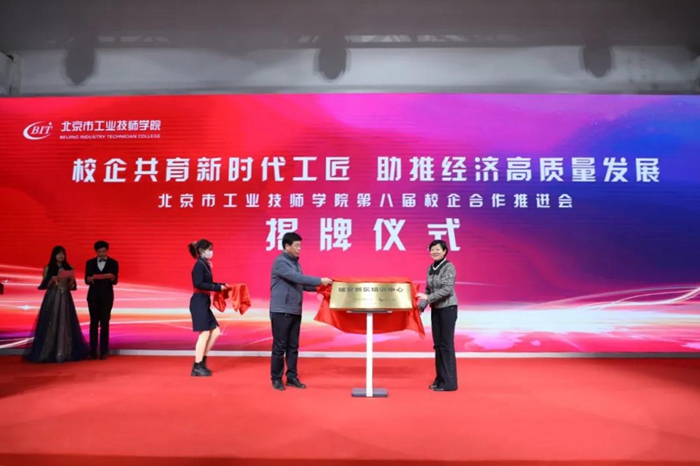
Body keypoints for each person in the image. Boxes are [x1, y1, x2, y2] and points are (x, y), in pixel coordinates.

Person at [269, 232, 332, 390]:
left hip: (295, 310)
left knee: (293, 347)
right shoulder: (280, 262)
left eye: (300, 246)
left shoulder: (296, 264)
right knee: (279, 347)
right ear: (287, 246)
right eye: (296, 246)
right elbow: (297, 278)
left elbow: (301, 284)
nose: (299, 249)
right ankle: (276, 379)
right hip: (281, 310)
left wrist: (321, 288)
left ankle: (292, 377)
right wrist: (320, 280)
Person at [26, 246, 90, 363]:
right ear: (54, 255)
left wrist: (71, 279)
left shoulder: (69, 267)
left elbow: (71, 286)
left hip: (65, 297)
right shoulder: (48, 268)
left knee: (66, 322)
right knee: (50, 321)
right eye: (58, 254)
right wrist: (52, 279)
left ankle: (65, 352)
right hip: (52, 297)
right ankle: (47, 352)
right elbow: (44, 285)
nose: (61, 256)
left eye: (63, 254)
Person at [416, 239, 458, 391]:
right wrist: (421, 307)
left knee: (446, 345)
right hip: (436, 309)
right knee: (438, 345)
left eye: (437, 249)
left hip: (448, 308)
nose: (434, 252)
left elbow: (447, 289)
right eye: (432, 249)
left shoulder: (449, 267)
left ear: (444, 251)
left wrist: (428, 298)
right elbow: (428, 289)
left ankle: (450, 383)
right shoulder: (430, 268)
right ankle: (440, 379)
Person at [188, 239, 229, 377]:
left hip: (204, 302)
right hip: (198, 302)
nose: (211, 252)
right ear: (201, 251)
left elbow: (208, 283)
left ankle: (201, 361)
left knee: (215, 332)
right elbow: (199, 283)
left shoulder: (204, 264)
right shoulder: (199, 265)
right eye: (209, 249)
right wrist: (217, 287)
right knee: (204, 334)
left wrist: (221, 285)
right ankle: (197, 365)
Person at [85, 240, 119, 360]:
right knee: (93, 323)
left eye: (104, 251)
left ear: (107, 251)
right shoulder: (89, 263)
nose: (102, 253)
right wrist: (105, 276)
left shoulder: (113, 263)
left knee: (105, 323)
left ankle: (104, 350)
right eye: (99, 251)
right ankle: (93, 350)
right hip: (93, 297)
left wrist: (97, 277)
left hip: (106, 297)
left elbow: (114, 280)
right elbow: (87, 280)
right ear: (96, 251)